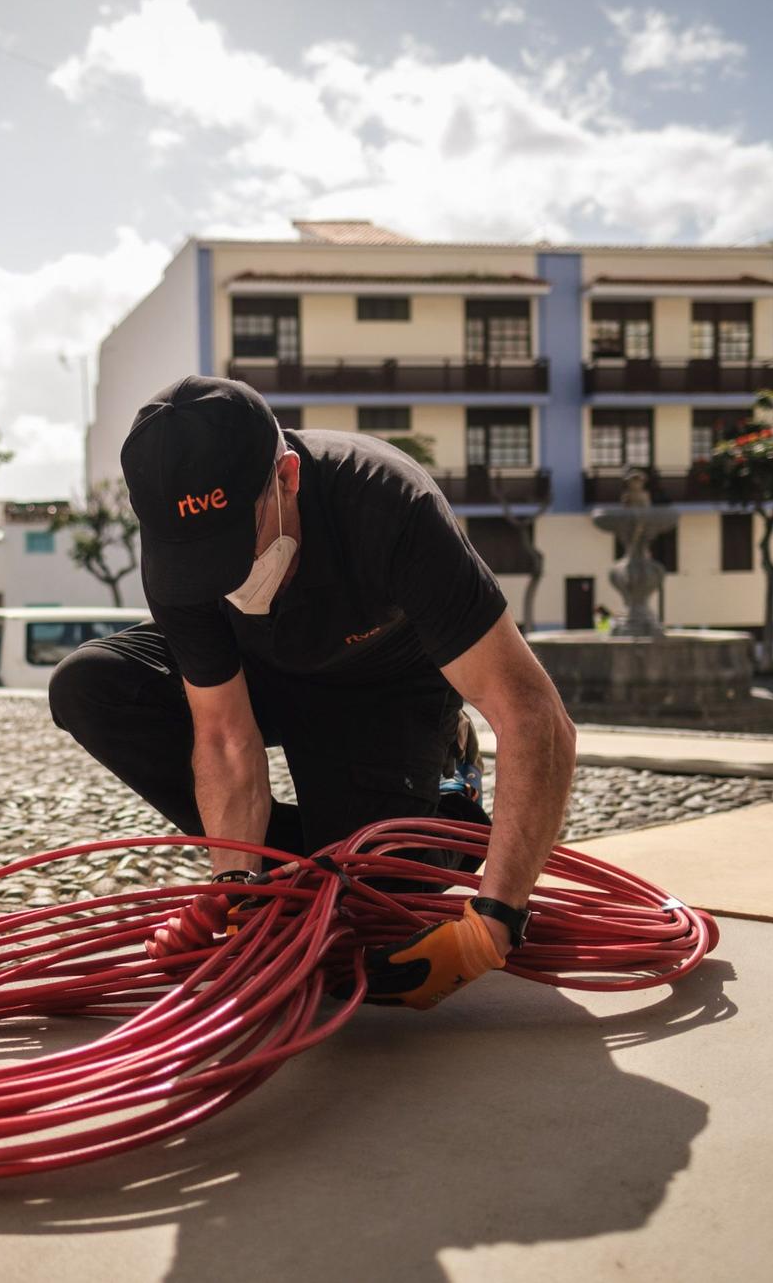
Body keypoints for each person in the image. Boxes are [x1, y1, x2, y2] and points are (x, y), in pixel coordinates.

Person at [48, 376, 577, 1009]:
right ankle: (308, 873)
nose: (225, 577)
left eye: (233, 548)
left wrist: (493, 923)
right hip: (258, 674)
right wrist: (239, 889)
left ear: (288, 477)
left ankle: (447, 809)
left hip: (376, 684)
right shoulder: (177, 553)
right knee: (91, 686)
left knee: (384, 887)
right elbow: (222, 732)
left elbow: (535, 717)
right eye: (200, 561)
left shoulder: (387, 504)